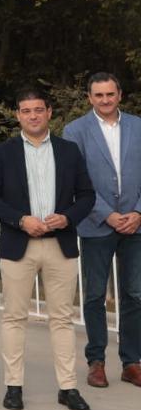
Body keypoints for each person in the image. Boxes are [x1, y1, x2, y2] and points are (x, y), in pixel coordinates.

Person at [0, 86, 95, 410]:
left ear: (49, 113)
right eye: (26, 111)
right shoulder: (3, 152)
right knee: (14, 317)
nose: (33, 116)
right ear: (18, 115)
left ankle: (68, 388)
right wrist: (20, 220)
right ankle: (13, 386)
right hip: (20, 245)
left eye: (38, 110)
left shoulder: (69, 151)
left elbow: (87, 195)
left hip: (60, 245)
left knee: (62, 319)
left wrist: (67, 218)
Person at [63, 72, 141, 389]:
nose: (105, 100)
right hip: (96, 223)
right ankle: (96, 361)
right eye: (99, 95)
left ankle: (132, 361)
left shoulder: (138, 126)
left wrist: (137, 211)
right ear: (89, 98)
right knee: (94, 296)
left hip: (136, 224)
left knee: (135, 294)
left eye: (110, 94)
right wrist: (107, 214)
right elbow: (76, 182)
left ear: (119, 95)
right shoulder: (75, 131)